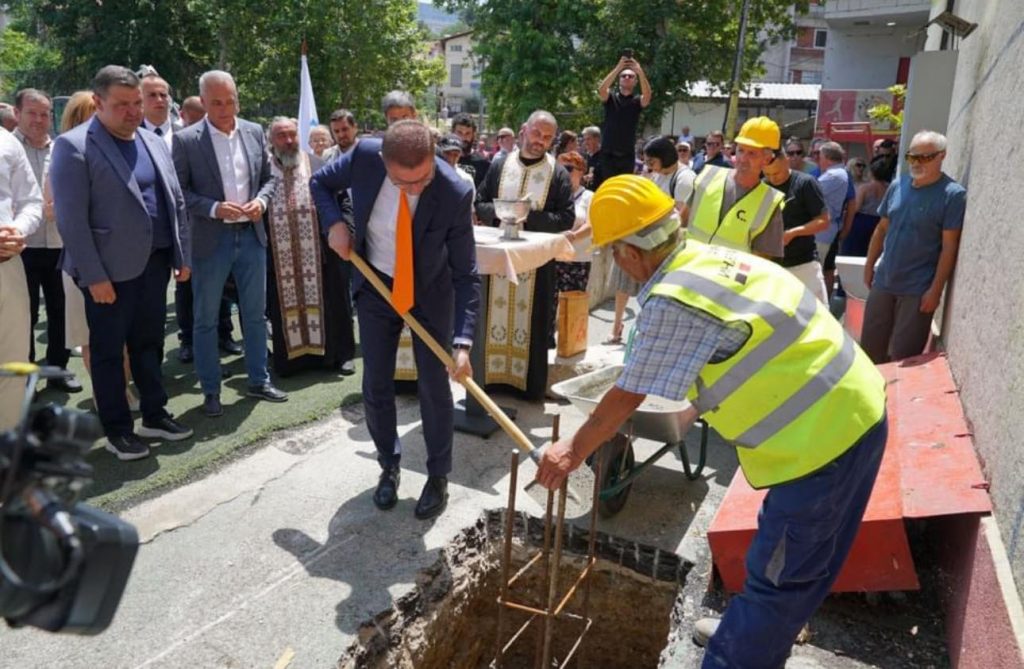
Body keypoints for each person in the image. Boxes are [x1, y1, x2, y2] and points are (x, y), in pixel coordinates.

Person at [535, 175, 889, 669]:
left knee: (780, 578)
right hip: (855, 405)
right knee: (802, 562)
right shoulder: (709, 258)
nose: (614, 262)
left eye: (613, 251)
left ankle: (742, 650)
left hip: (822, 442)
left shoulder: (673, 300)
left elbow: (628, 394)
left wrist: (572, 450)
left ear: (630, 253)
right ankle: (763, 637)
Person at [310, 120, 480, 520]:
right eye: (404, 183)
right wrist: (335, 223)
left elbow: (466, 273)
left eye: (423, 179)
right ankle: (388, 464)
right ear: (384, 163)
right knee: (376, 382)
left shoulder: (455, 191)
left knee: (434, 386)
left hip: (429, 293)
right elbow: (320, 183)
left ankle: (438, 475)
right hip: (376, 284)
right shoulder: (366, 156)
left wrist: (463, 343)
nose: (416, 189)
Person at [50, 65, 193, 460]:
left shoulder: (152, 140)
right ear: (97, 103)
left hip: (155, 264)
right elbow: (71, 221)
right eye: (122, 105)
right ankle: (118, 429)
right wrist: (94, 276)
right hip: (108, 275)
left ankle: (154, 414)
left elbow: (174, 201)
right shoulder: (73, 146)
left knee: (149, 345)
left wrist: (182, 254)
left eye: (136, 103)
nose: (133, 112)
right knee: (110, 354)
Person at [173, 69, 287, 418]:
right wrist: (213, 208)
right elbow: (179, 193)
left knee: (255, 315)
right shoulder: (187, 140)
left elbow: (270, 180)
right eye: (217, 102)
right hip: (211, 239)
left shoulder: (254, 132)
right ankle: (211, 390)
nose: (225, 109)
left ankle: (258, 379)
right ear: (203, 102)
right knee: (205, 320)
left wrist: (262, 202)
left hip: (251, 237)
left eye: (231, 100)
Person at [475, 110, 575, 388]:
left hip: (536, 265)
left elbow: (566, 218)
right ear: (523, 130)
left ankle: (527, 387)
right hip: (497, 259)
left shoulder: (557, 173)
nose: (539, 141)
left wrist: (526, 215)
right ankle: (490, 382)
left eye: (547, 137)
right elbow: (479, 202)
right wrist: (502, 214)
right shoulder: (500, 165)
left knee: (532, 324)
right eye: (536, 133)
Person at [861, 130, 966, 363]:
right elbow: (881, 229)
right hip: (885, 281)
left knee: (903, 357)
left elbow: (950, 247)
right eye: (912, 156)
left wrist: (936, 290)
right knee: (869, 351)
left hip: (918, 289)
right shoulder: (899, 185)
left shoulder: (952, 195)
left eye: (925, 157)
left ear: (942, 156)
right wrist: (869, 266)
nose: (917, 163)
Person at [264, 117, 355, 377]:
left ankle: (342, 356)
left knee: (336, 302)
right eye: (282, 136)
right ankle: (293, 360)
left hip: (321, 253)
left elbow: (343, 200)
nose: (289, 140)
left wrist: (345, 231)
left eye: (292, 135)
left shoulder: (316, 164)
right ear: (272, 140)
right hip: (279, 257)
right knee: (280, 305)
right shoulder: (263, 169)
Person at [13, 88, 83, 393]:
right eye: (32, 113)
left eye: (45, 114)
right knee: (22, 316)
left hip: (58, 243)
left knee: (60, 310)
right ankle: (25, 375)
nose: (40, 120)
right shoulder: (6, 149)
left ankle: (58, 369)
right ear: (17, 114)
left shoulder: (61, 148)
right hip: (20, 247)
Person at [683, 117, 784, 259]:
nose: (743, 158)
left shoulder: (769, 203)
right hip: (689, 269)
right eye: (741, 150)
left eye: (752, 153)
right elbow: (682, 222)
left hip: (727, 280)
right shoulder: (708, 176)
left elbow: (762, 261)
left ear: (766, 159)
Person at [0, 123, 42, 430]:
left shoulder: (5, 142)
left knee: (12, 363)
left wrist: (18, 229)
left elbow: (31, 200)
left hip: (9, 266)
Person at [762, 141, 830, 303]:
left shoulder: (806, 183)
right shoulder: (763, 187)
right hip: (773, 267)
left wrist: (793, 233)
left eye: (776, 173)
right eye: (768, 174)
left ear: (786, 160)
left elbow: (823, 221)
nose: (773, 178)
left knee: (816, 318)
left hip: (804, 265)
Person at [597, 55, 652, 179]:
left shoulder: (637, 101)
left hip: (627, 155)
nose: (627, 77)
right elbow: (601, 90)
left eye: (631, 76)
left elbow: (647, 96)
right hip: (608, 155)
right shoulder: (611, 98)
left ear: (635, 81)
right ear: (619, 80)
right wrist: (618, 68)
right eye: (623, 76)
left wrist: (640, 72)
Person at [555, 150, 594, 293]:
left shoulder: (589, 197)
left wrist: (570, 237)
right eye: (560, 169)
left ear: (581, 171)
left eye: (569, 169)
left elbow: (591, 226)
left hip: (577, 259)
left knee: (573, 310)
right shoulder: (553, 196)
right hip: (552, 258)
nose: (564, 173)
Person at [815, 141, 849, 298]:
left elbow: (809, 191)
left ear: (828, 157)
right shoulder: (836, 173)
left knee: (814, 271)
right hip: (825, 229)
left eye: (820, 156)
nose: (818, 159)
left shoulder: (834, 175)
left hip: (822, 231)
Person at [839, 155, 891, 257]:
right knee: (872, 254)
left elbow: (856, 208)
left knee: (852, 255)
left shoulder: (865, 188)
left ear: (872, 172)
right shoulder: (889, 188)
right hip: (879, 222)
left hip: (861, 223)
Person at [643, 136, 695, 215]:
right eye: (646, 163)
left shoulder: (684, 179)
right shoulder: (658, 173)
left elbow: (682, 217)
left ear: (665, 158)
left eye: (651, 163)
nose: (649, 167)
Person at [138, 68, 179, 151]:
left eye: (163, 95)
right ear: (139, 99)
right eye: (152, 95)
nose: (159, 100)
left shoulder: (185, 133)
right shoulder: (133, 135)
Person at [451, 113, 491, 189]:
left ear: (473, 135)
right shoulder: (444, 160)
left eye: (467, 133)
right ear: (452, 132)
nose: (463, 137)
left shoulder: (483, 163)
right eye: (459, 133)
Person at [580, 126, 604, 190]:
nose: (586, 143)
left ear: (597, 139)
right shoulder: (586, 157)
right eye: (584, 140)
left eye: (588, 139)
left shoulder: (605, 157)